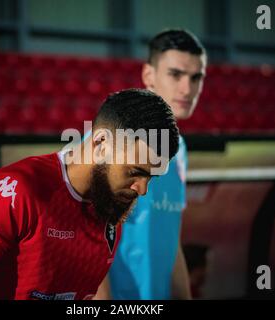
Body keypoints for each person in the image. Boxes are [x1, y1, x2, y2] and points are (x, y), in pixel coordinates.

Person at [0, 89, 179, 300]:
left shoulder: (110, 208)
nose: (142, 189)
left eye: (150, 177)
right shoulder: (15, 192)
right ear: (101, 144)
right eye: (135, 171)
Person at [95, 29, 207, 300]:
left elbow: (171, 242)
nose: (187, 88)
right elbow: (83, 241)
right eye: (175, 74)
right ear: (149, 76)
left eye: (196, 77)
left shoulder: (178, 148)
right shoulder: (112, 139)